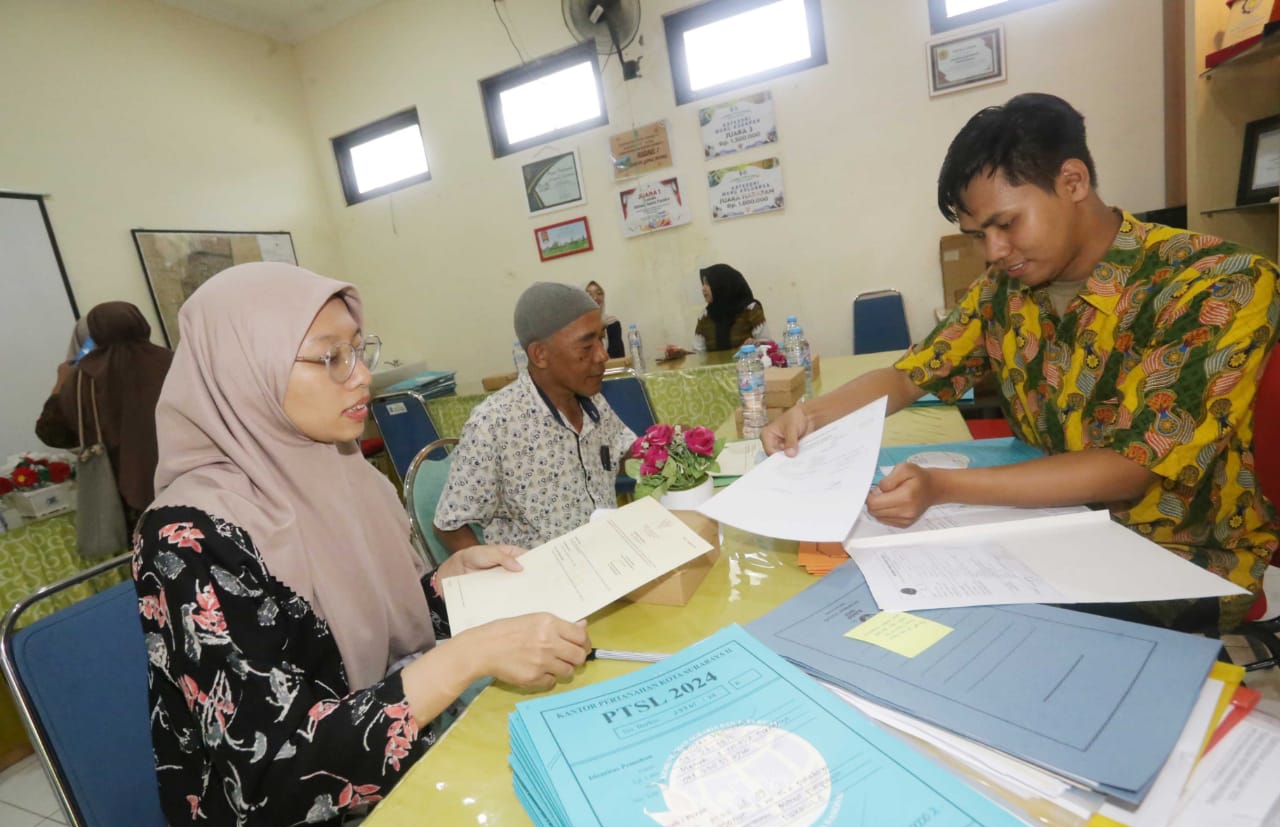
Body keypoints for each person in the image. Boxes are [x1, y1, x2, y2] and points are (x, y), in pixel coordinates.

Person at [763, 93, 1279, 633]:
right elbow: (908, 375)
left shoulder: (1217, 282)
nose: (992, 251)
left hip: (1175, 559)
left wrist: (941, 487)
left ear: (1073, 182)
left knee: (943, 634)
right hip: (1052, 530)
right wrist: (811, 417)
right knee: (857, 591)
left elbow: (1128, 468)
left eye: (1006, 223)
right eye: (978, 235)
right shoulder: (1003, 290)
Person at [133, 263, 590, 827]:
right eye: (331, 358)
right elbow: (266, 779)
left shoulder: (345, 472)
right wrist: (463, 658)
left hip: (403, 770)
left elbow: (344, 635)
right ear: (245, 372)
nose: (363, 377)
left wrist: (445, 588)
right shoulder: (187, 537)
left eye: (359, 350)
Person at [434, 282, 636, 552]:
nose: (603, 355)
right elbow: (450, 525)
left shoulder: (593, 401)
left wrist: (669, 448)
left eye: (601, 338)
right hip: (543, 581)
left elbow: (622, 452)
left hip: (608, 557)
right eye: (586, 346)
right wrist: (495, 580)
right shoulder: (495, 424)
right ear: (540, 354)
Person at [35, 301, 173, 521]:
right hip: (190, 481)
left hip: (127, 500)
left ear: (96, 335)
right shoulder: (174, 362)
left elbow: (52, 433)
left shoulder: (82, 380)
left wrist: (60, 382)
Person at [693, 263, 769, 352]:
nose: (703, 288)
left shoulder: (750, 309)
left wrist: (755, 345)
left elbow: (768, 346)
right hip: (716, 366)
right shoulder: (704, 316)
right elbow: (698, 353)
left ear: (723, 284)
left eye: (708, 284)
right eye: (703, 284)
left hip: (746, 364)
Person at [585, 280, 624, 359]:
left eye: (599, 293)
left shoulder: (612, 322)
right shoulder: (577, 328)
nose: (595, 298)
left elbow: (618, 356)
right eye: (589, 294)